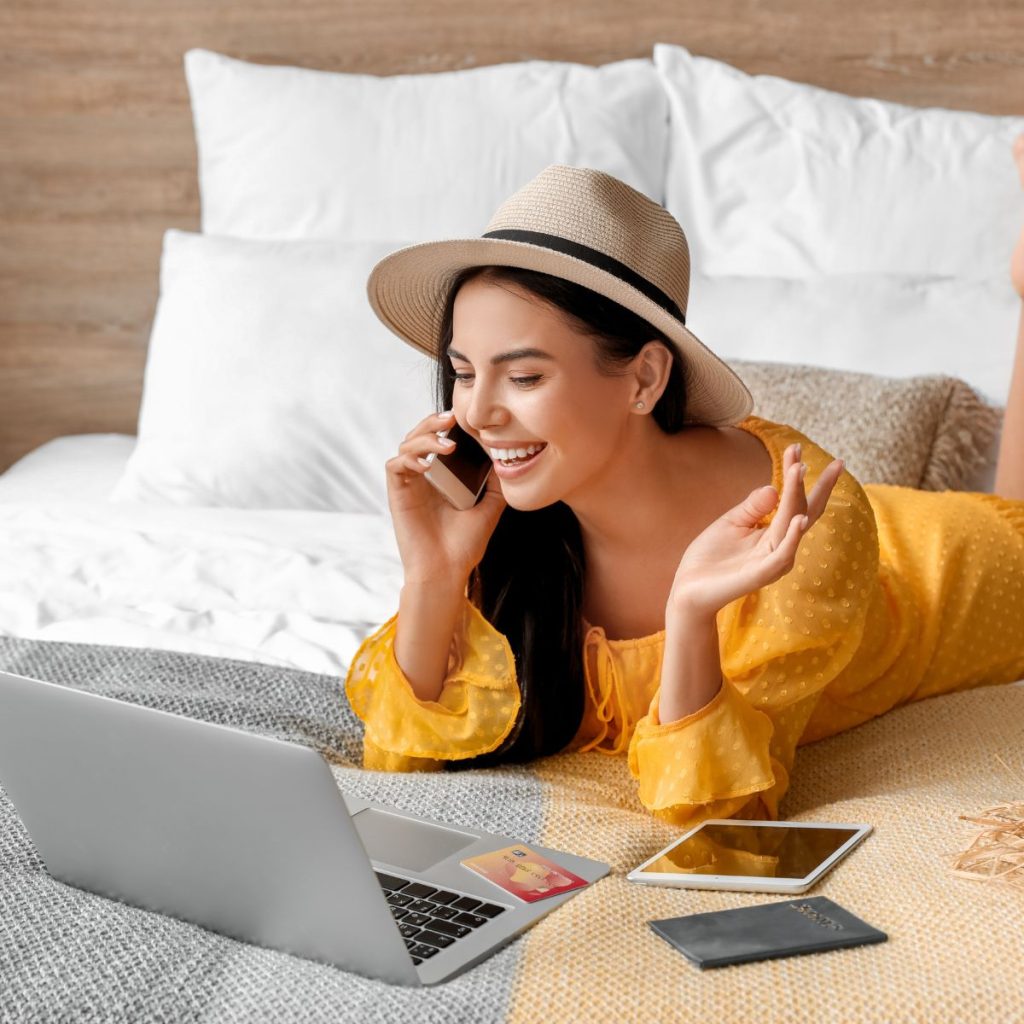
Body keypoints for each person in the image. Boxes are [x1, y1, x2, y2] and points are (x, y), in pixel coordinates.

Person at [345, 150, 1024, 828]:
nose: (478, 414)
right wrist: (433, 576)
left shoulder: (808, 535)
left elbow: (719, 815)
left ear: (644, 379)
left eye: (523, 378)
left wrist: (693, 615)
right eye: (463, 373)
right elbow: (399, 774)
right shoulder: (515, 527)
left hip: (959, 570)